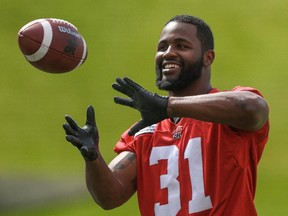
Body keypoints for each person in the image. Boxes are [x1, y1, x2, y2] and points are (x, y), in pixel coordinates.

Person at [63, 14, 269, 216]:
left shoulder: (227, 113)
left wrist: (166, 105)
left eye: (181, 46)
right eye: (162, 47)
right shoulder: (144, 132)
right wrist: (93, 157)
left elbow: (251, 108)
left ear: (208, 57)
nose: (168, 53)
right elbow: (109, 197)